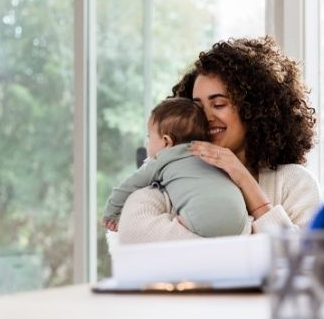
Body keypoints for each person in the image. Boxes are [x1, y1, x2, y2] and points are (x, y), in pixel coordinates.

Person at [117, 36, 323, 244]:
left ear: (255, 109)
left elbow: (305, 263)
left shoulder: (295, 183)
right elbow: (133, 234)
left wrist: (245, 180)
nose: (206, 117)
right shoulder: (174, 173)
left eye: (218, 104)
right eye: (197, 107)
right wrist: (247, 248)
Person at [102, 97, 248, 237]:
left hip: (202, 221)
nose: (147, 144)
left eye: (149, 137)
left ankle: (189, 221)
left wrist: (111, 215)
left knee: (179, 219)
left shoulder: (160, 160)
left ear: (166, 142)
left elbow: (127, 186)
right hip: (239, 222)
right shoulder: (211, 154)